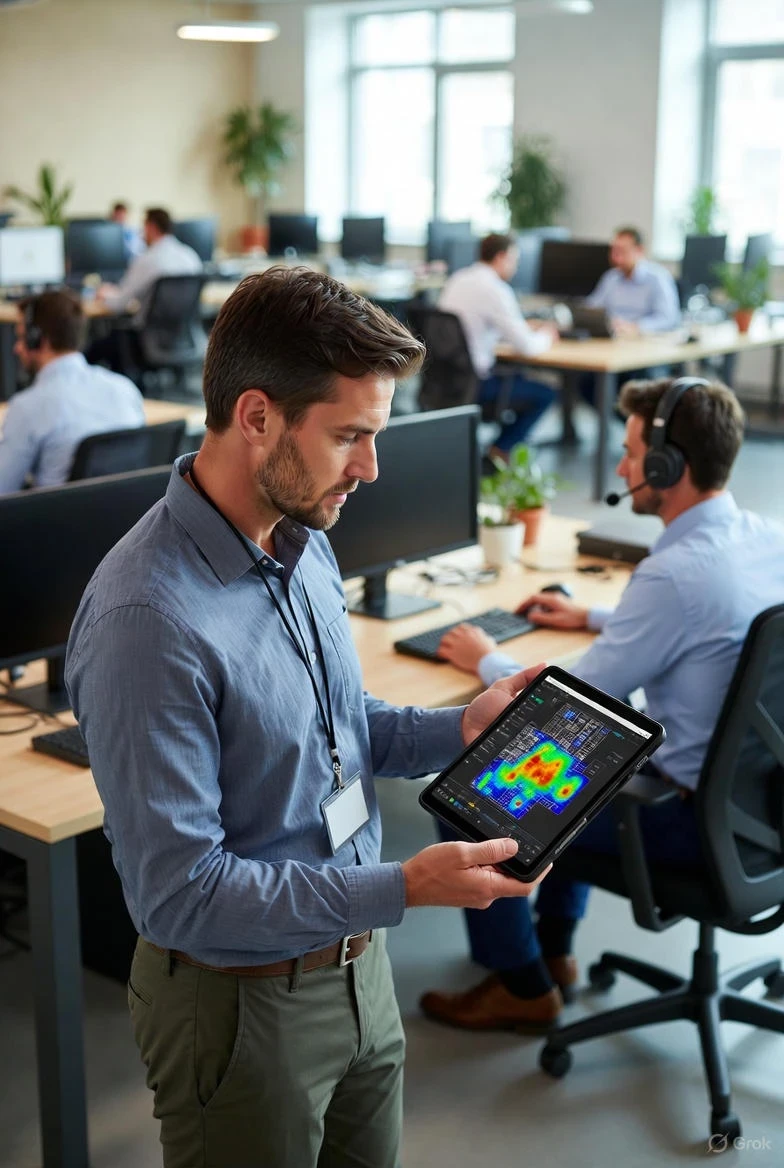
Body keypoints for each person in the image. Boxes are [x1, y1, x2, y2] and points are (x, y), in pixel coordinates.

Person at [66, 267, 550, 1168]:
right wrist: (407, 887)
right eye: (350, 437)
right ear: (257, 417)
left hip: (359, 968)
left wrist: (460, 731)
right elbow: (186, 896)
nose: (370, 468)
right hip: (240, 1001)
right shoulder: (148, 620)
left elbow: (334, 724)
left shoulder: (302, 538)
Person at [420, 374, 784, 1032]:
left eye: (631, 450)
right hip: (760, 812)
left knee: (479, 791)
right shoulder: (766, 537)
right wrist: (592, 614)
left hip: (689, 823)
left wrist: (484, 658)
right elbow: (712, 622)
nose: (622, 465)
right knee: (579, 767)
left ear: (668, 464)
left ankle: (523, 985)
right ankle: (555, 948)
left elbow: (577, 699)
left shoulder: (674, 574)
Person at [0, 291, 144, 493]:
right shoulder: (125, 389)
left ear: (38, 339)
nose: (16, 348)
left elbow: (3, 491)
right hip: (128, 520)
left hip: (56, 522)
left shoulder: (27, 408)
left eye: (21, 337)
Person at [438, 232, 558, 454]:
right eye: (515, 260)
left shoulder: (458, 279)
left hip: (447, 380)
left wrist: (518, 327)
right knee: (546, 393)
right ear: (502, 256)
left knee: (521, 379)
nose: (516, 267)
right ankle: (499, 451)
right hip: (478, 384)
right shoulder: (496, 289)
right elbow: (528, 347)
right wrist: (547, 335)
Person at [86, 207, 202, 374]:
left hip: (145, 340)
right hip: (183, 337)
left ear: (151, 227)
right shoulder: (190, 256)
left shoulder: (147, 260)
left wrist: (105, 294)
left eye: (143, 228)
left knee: (97, 345)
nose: (141, 234)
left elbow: (118, 305)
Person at [586, 226, 680, 338]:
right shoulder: (611, 278)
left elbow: (669, 319)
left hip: (643, 342)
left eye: (622, 251)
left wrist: (636, 327)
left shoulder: (658, 278)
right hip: (612, 339)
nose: (616, 257)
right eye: (614, 251)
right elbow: (591, 309)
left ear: (639, 250)